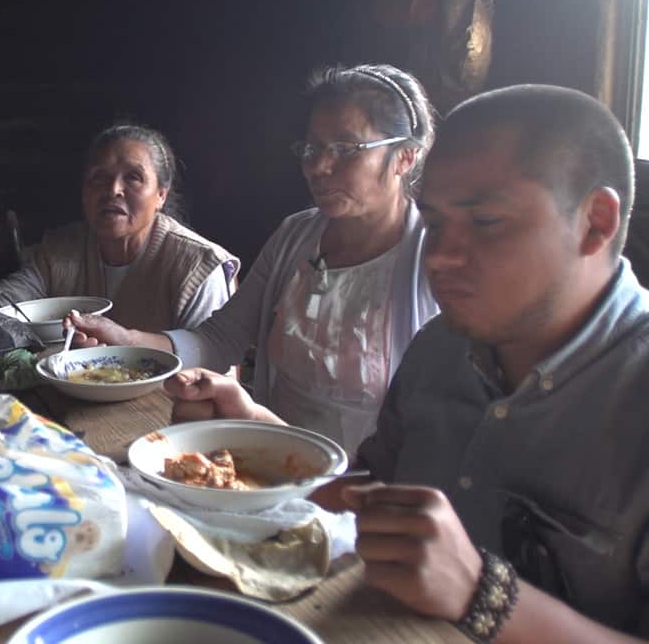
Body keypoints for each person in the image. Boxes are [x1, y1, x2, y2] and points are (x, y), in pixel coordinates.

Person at [176, 84, 649, 641]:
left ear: (595, 222)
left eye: (486, 222)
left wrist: (483, 596)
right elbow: (370, 491)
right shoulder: (439, 349)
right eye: (436, 221)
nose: (443, 255)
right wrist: (247, 432)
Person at [70, 64, 440, 452]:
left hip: (371, 492)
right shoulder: (295, 237)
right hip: (270, 461)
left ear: (405, 157)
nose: (318, 166)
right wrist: (126, 341)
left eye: (345, 149)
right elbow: (219, 339)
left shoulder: (429, 260)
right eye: (312, 149)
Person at [0, 124, 240, 332]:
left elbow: (217, 373)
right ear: (84, 192)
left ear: (161, 194)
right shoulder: (62, 251)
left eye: (132, 178)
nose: (113, 190)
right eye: (99, 178)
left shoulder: (197, 267)